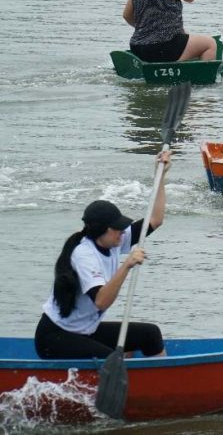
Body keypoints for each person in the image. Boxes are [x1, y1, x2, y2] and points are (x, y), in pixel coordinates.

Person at [34, 152, 172, 360]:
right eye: (116, 228)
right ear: (102, 231)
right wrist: (126, 265)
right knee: (113, 359)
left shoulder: (114, 240)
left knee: (150, 334)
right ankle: (131, 385)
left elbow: (156, 218)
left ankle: (162, 383)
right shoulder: (84, 255)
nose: (121, 232)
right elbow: (101, 301)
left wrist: (160, 175)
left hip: (87, 331)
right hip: (55, 338)